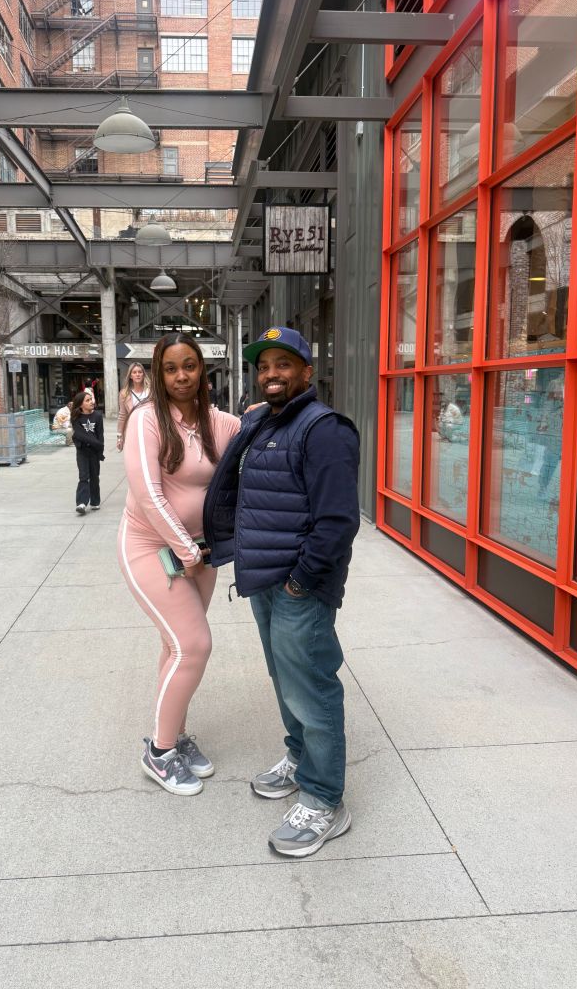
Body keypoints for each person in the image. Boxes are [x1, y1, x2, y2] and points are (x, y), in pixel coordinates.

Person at [203, 326, 361, 857]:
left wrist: (301, 582)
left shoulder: (324, 430)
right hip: (265, 580)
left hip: (299, 587)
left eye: (284, 364)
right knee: (286, 681)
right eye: (265, 366)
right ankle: (299, 757)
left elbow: (337, 521)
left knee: (312, 688)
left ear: (307, 372)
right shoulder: (263, 423)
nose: (272, 374)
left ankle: (324, 798)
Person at [118, 332, 240, 795]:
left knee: (176, 647)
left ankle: (175, 734)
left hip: (201, 553)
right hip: (151, 548)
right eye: (170, 368)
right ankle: (160, 751)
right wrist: (187, 553)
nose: (181, 376)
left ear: (202, 369)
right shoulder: (146, 420)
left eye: (189, 365)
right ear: (158, 373)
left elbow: (259, 433)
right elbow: (149, 495)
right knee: (194, 645)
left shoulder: (219, 423)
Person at [70, 390, 104, 515]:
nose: (91, 402)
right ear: (81, 404)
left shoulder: (98, 416)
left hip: (94, 452)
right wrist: (97, 443)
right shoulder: (76, 418)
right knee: (84, 476)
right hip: (82, 451)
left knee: (94, 476)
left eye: (91, 399)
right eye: (87, 400)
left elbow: (100, 435)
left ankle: (95, 501)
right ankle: (81, 503)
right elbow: (80, 435)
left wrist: (100, 449)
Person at [116, 361, 151, 451]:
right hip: (133, 430)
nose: (137, 374)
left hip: (150, 430)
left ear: (143, 374)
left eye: (140, 372)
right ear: (130, 376)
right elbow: (122, 415)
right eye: (134, 372)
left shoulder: (151, 391)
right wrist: (119, 436)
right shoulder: (124, 394)